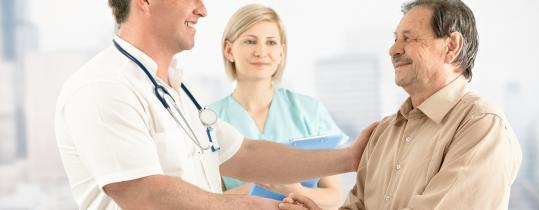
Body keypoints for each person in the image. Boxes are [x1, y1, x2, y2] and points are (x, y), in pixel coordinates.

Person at [54, 0, 377, 209]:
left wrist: (348, 158)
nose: (203, 9)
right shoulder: (106, 86)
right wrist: (261, 207)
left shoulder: (176, 93)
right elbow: (146, 196)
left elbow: (246, 154)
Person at [279, 0, 522, 209]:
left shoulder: (482, 127)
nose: (393, 50)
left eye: (409, 38)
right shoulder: (383, 132)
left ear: (451, 46)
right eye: (396, 39)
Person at [208, 4, 346, 209]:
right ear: (229, 50)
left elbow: (334, 195)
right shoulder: (209, 120)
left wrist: (297, 193)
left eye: (271, 42)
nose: (261, 51)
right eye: (249, 41)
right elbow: (204, 200)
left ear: (281, 52)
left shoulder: (309, 110)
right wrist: (254, 188)